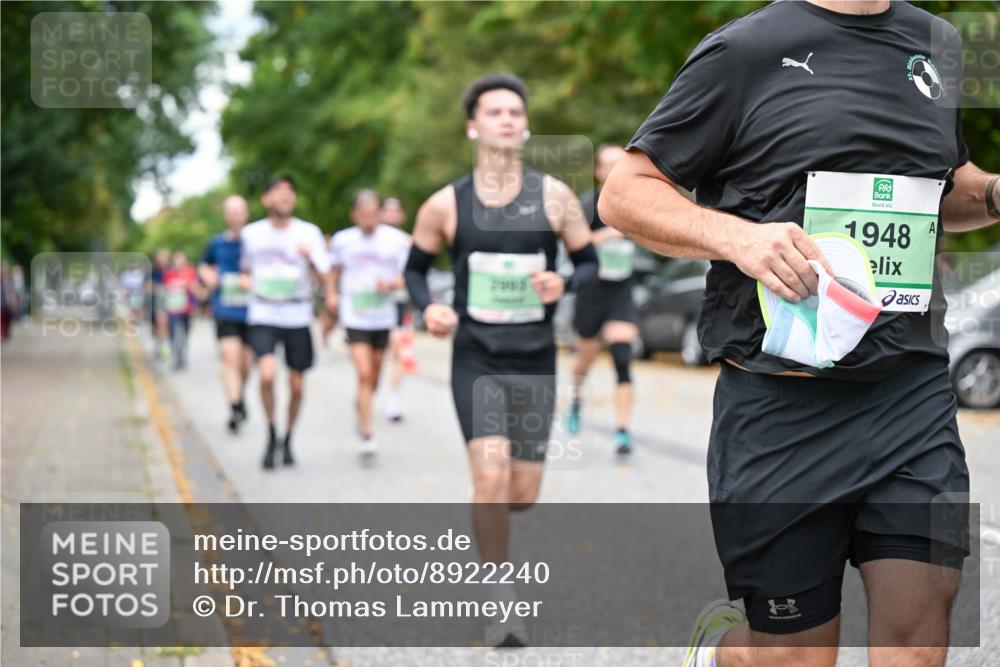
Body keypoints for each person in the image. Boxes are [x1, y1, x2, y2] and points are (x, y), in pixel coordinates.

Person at [599, 1, 999, 665]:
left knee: (917, 646)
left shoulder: (939, 43)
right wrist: (739, 236)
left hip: (910, 398)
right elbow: (625, 192)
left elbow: (942, 185)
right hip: (780, 408)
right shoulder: (747, 49)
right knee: (791, 657)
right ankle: (722, 652)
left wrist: (990, 193)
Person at [405, 73, 599, 647]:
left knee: (521, 491)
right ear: (473, 127)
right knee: (489, 478)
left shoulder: (555, 197)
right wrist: (429, 310)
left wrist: (560, 281)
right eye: (495, 112)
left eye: (516, 111)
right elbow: (415, 272)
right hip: (476, 357)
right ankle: (499, 598)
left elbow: (587, 264)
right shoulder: (445, 204)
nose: (508, 119)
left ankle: (492, 538)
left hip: (534, 358)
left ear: (527, 126)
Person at [241, 175, 336, 469]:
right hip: (263, 313)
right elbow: (245, 268)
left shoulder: (309, 233)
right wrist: (245, 281)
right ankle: (271, 432)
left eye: (290, 192)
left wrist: (328, 290)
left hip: (297, 314)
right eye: (278, 192)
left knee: (296, 386)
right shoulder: (251, 234)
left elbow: (327, 272)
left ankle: (289, 437)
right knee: (267, 375)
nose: (285, 197)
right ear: (266, 199)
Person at [565, 144, 639, 454]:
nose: (612, 170)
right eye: (606, 164)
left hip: (620, 292)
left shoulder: (636, 204)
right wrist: (605, 236)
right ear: (597, 171)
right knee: (586, 358)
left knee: (623, 358)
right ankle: (576, 399)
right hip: (591, 292)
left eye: (617, 164)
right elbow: (574, 244)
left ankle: (623, 430)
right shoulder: (586, 204)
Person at [329, 190, 412, 455]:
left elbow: (406, 275)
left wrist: (391, 284)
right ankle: (367, 431)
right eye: (363, 214)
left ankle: (361, 404)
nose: (369, 219)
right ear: (354, 215)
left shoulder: (395, 240)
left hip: (383, 316)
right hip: (355, 315)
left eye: (373, 214)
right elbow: (333, 270)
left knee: (374, 377)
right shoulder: (343, 240)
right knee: (364, 373)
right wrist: (332, 293)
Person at [200, 195, 254, 434]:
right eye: (230, 211)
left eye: (239, 211)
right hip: (225, 309)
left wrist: (251, 279)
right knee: (230, 359)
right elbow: (203, 265)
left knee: (246, 365)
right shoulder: (216, 243)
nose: (235, 215)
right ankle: (234, 406)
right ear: (225, 215)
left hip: (253, 312)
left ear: (246, 213)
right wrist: (207, 276)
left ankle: (239, 396)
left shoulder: (256, 240)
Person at [380, 196, 413, 422]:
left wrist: (394, 283)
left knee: (398, 351)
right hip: (372, 306)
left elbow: (412, 273)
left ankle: (393, 398)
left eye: (396, 210)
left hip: (398, 302)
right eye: (387, 210)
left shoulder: (407, 242)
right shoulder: (370, 239)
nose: (391, 215)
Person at [162, 251, 200, 371]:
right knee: (173, 331)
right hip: (173, 309)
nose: (178, 263)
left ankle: (182, 354)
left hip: (187, 308)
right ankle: (176, 356)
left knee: (185, 333)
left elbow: (195, 289)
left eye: (181, 260)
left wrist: (186, 285)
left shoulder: (190, 272)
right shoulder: (168, 273)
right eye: (176, 260)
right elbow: (164, 290)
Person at [150, 249, 171, 360]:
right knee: (159, 323)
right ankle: (160, 344)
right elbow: (149, 285)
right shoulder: (154, 271)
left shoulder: (170, 270)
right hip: (158, 300)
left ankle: (164, 344)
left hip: (171, 300)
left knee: (166, 323)